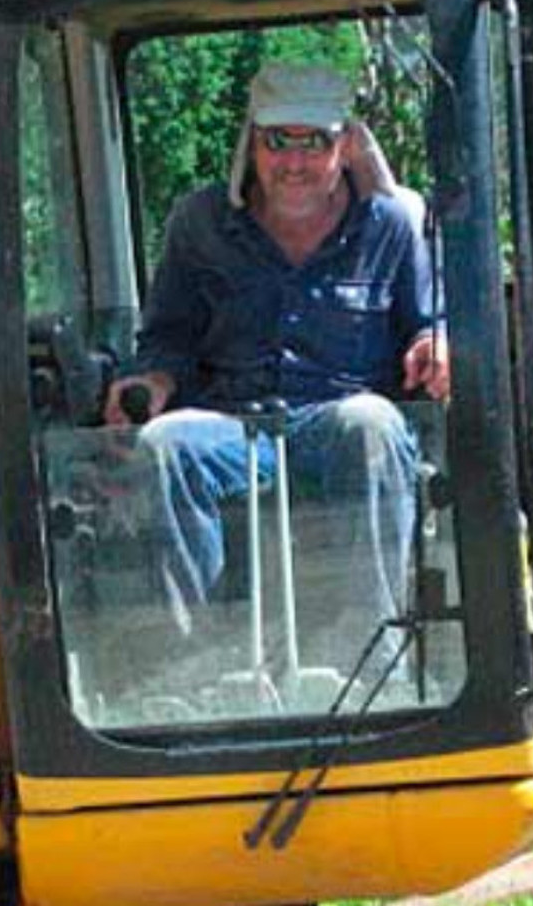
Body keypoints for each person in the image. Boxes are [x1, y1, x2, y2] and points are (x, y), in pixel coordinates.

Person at [104, 62, 448, 637]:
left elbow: (427, 322)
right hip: (234, 429)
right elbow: (167, 339)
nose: (293, 163)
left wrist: (433, 346)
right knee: (165, 444)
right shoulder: (200, 223)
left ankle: (372, 643)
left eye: (312, 143)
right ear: (251, 142)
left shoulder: (390, 226)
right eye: (276, 142)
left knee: (369, 422)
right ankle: (195, 655)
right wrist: (155, 381)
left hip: (335, 427)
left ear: (343, 144)